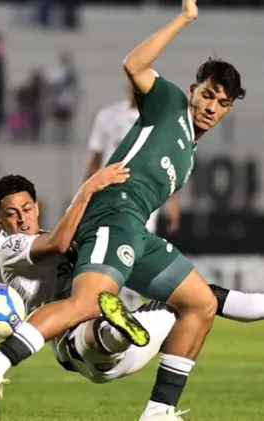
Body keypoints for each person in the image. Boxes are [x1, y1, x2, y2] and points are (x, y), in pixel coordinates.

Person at [0, 1, 264, 419]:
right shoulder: (169, 103)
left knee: (201, 304)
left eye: (222, 102)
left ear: (229, 108)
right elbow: (134, 64)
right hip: (112, 215)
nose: (211, 106)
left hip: (137, 231)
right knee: (89, 302)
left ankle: (158, 412)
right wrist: (184, 19)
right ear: (193, 89)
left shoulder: (189, 155)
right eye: (207, 94)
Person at [0, 174, 264, 405]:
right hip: (75, 348)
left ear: (36, 207)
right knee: (92, 316)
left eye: (27, 208)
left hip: (130, 351)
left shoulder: (52, 234)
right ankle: (115, 327)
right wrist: (87, 191)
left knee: (199, 300)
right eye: (11, 213)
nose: (22, 218)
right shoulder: (8, 246)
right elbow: (60, 243)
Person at [83, 86, 180, 310]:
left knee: (137, 247)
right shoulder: (107, 116)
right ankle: (98, 298)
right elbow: (95, 159)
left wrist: (172, 203)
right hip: (108, 194)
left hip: (144, 196)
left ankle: (130, 301)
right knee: (106, 243)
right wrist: (85, 193)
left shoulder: (159, 121)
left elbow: (167, 165)